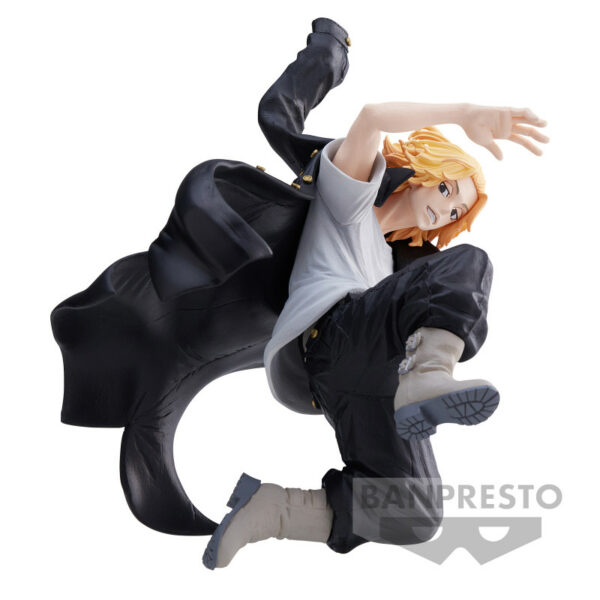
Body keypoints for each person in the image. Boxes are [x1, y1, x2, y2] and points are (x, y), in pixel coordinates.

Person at [203, 45, 548, 570]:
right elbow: (371, 118)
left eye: (456, 210)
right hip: (331, 337)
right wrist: (463, 113)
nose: (445, 208)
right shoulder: (351, 200)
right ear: (422, 169)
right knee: (470, 262)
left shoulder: (392, 267)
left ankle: (273, 511)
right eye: (446, 187)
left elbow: (406, 294)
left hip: (354, 379)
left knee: (417, 512)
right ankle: (428, 374)